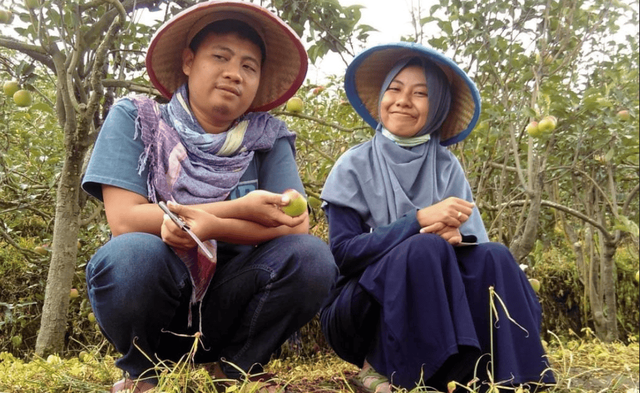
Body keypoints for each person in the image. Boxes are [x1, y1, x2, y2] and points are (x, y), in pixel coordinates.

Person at [82, 2, 338, 392]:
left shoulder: (268, 138)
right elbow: (127, 219)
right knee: (130, 254)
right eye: (221, 57)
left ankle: (237, 369)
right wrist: (236, 211)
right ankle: (142, 373)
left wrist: (214, 225)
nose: (234, 73)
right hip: (156, 292)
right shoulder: (136, 118)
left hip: (234, 303)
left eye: (249, 66)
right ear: (188, 61)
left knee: (312, 257)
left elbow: (295, 223)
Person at [319, 42, 556, 393]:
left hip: (436, 299)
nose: (402, 100)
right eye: (395, 89)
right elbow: (344, 253)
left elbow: (471, 249)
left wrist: (456, 241)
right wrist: (416, 221)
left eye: (420, 93)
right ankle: (398, 371)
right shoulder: (353, 164)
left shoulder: (446, 166)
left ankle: (514, 378)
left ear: (438, 107)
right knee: (424, 248)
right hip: (358, 314)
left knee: (496, 257)